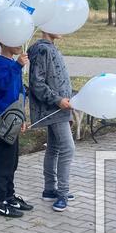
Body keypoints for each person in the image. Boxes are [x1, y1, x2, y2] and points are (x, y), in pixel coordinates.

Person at [28, 31, 75, 212]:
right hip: (54, 108)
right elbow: (37, 83)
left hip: (61, 108)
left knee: (54, 147)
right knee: (67, 149)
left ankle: (49, 190)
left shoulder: (50, 48)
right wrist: (57, 100)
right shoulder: (42, 50)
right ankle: (62, 194)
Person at [0, 44, 33, 217]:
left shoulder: (13, 63)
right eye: (16, 42)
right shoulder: (1, 63)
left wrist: (22, 117)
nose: (20, 46)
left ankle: (9, 195)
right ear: (5, 42)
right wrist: (17, 66)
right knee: (4, 161)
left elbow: (19, 92)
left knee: (12, 161)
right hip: (3, 120)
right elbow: (1, 85)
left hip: (14, 119)